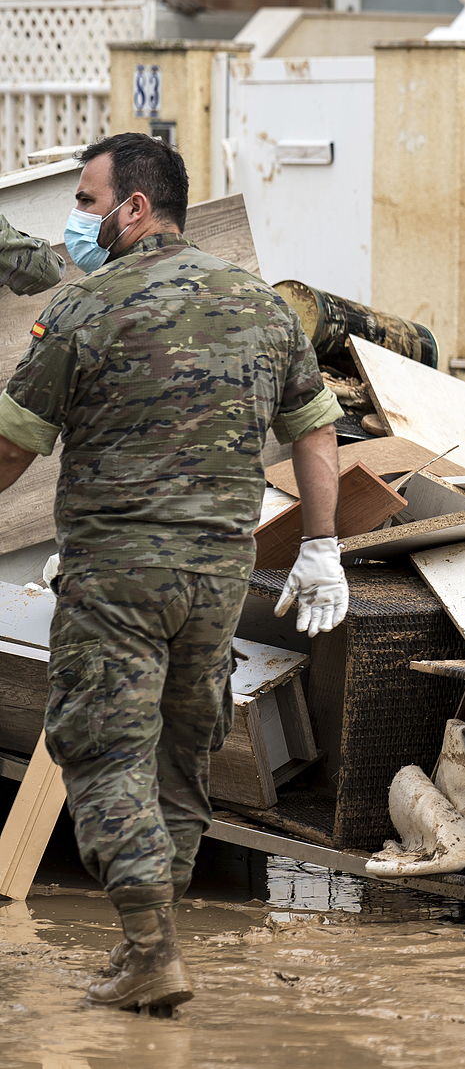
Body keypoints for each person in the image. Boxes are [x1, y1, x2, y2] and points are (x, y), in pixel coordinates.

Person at [0, 132, 345, 1012]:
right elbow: (314, 429)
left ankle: (150, 947)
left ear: (136, 206)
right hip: (217, 579)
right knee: (183, 755)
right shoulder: (265, 308)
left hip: (116, 577)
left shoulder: (87, 307)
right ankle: (149, 942)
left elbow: (9, 447)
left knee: (105, 749)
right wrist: (322, 544)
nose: (78, 220)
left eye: (85, 200)